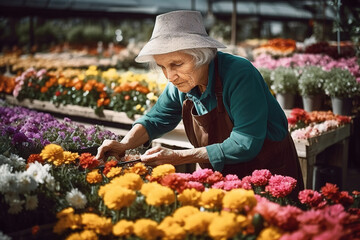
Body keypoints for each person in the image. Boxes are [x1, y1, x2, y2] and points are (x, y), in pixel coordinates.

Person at [96, 10, 304, 193]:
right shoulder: (182, 85)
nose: (169, 76)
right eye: (162, 66)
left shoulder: (239, 74)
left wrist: (178, 157)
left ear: (202, 56)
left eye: (176, 64)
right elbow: (155, 120)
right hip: (226, 176)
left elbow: (245, 143)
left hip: (267, 171)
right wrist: (124, 144)